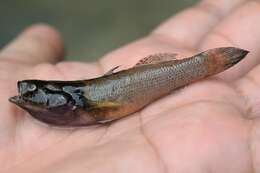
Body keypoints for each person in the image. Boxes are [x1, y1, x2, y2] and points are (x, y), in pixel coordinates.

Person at [1, 0, 260, 172]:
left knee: (190, 68)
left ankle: (208, 63)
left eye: (36, 90)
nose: (28, 92)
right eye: (34, 91)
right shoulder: (76, 104)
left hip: (147, 79)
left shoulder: (80, 104)